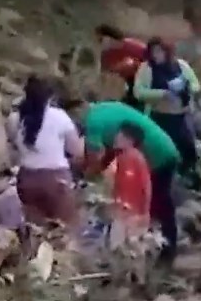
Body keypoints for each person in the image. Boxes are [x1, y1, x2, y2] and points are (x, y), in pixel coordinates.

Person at [69, 99, 181, 265]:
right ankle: (158, 248)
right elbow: (107, 155)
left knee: (160, 203)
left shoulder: (93, 123)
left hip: (157, 156)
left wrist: (85, 175)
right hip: (163, 147)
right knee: (159, 204)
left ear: (77, 111)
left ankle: (164, 252)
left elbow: (96, 156)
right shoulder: (103, 110)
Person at [7, 75, 84, 228]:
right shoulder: (60, 117)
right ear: (51, 96)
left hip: (26, 180)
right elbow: (76, 151)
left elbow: (13, 143)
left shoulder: (14, 118)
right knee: (64, 229)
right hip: (56, 181)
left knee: (33, 229)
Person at [132, 38, 201, 186]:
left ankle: (188, 177)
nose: (156, 55)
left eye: (159, 51)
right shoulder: (146, 68)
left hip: (180, 116)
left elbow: (196, 84)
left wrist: (187, 88)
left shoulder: (181, 66)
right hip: (158, 117)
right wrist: (161, 94)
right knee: (159, 152)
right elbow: (138, 92)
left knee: (188, 147)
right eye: (153, 52)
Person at [110, 122, 152, 237]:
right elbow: (117, 185)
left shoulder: (137, 159)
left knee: (129, 248)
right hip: (122, 211)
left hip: (134, 214)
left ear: (130, 140)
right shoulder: (121, 158)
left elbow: (146, 186)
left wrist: (145, 212)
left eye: (120, 136)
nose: (115, 138)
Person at [96, 24, 148, 110]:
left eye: (101, 40)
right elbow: (104, 76)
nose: (100, 43)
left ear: (110, 37)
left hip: (142, 81)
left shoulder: (132, 45)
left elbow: (151, 61)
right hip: (124, 87)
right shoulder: (106, 55)